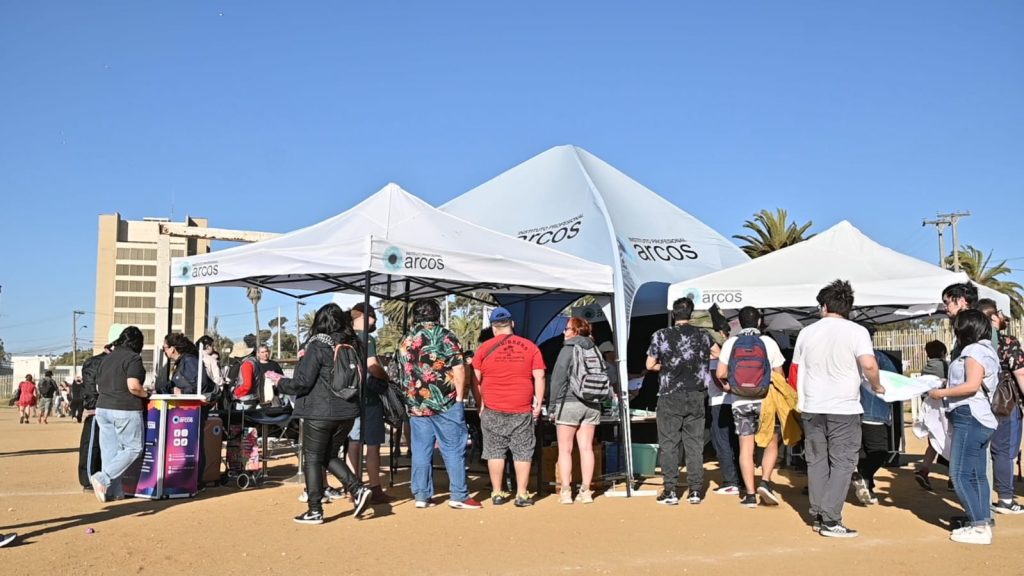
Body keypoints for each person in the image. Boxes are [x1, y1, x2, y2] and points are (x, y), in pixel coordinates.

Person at [792, 280, 884, 538]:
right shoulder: (857, 332)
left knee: (817, 461)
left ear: (823, 306)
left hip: (812, 405)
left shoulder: (806, 333)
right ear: (849, 307)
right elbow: (869, 364)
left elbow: (796, 370)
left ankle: (820, 514)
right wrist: (876, 386)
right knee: (843, 463)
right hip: (843, 406)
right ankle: (832, 519)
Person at [267, 303, 372, 525]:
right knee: (327, 456)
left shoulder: (317, 345)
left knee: (313, 458)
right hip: (347, 412)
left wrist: (280, 382)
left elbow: (302, 383)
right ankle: (357, 488)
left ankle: (315, 509)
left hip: (320, 412)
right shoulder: (354, 344)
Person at [395, 298, 481, 510]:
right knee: (453, 448)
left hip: (417, 404)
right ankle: (459, 495)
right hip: (445, 401)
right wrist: (460, 398)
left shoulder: (406, 339)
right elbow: (459, 369)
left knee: (421, 450)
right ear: (437, 314)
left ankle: (422, 495)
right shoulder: (446, 337)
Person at [927, 309, 999, 544]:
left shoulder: (973, 351)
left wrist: (941, 392)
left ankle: (979, 527)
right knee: (978, 476)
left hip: (970, 415)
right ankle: (981, 520)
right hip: (981, 417)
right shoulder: (987, 350)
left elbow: (971, 386)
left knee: (959, 474)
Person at [646, 297, 719, 505]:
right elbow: (718, 353)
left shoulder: (660, 335)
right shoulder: (703, 335)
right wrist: (699, 365)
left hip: (669, 393)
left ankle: (670, 490)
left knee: (669, 443)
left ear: (673, 313)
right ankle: (695, 490)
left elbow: (650, 364)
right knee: (694, 444)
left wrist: (669, 367)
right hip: (696, 394)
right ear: (691, 313)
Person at [474, 307, 545, 507]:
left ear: (493, 328)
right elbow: (539, 375)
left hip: (492, 406)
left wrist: (480, 404)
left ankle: (497, 492)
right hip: (521, 407)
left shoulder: (483, 348)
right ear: (512, 324)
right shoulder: (530, 346)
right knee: (523, 451)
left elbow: (475, 379)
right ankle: (522, 494)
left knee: (495, 450)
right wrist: (538, 402)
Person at [715, 306, 785, 508]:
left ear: (739, 323)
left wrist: (731, 387)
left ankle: (751, 494)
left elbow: (720, 373)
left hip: (740, 401)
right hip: (765, 400)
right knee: (770, 443)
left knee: (746, 447)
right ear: (760, 322)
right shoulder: (768, 342)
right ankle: (765, 481)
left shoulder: (731, 343)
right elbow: (779, 375)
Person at [90, 326, 149, 503]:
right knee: (134, 448)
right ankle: (103, 478)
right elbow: (133, 386)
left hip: (103, 408)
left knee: (110, 452)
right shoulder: (133, 358)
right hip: (124, 408)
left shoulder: (106, 359)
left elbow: (99, 387)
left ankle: (113, 493)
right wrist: (147, 394)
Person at [976, 299, 1024, 515]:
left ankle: (984, 495)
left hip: (981, 400)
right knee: (1005, 451)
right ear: (993, 317)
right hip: (1007, 401)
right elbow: (1020, 373)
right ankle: (1005, 498)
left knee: (987, 449)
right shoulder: (1007, 342)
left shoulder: (972, 344)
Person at [345, 302, 396, 504]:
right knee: (373, 444)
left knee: (353, 443)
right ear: (365, 316)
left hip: (349, 396)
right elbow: (373, 366)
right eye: (374, 315)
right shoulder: (368, 338)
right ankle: (375, 487)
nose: (376, 320)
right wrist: (386, 378)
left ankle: (352, 487)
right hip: (369, 397)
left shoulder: (344, 338)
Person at [550, 317, 602, 504]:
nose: (564, 332)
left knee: (565, 450)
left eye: (567, 329)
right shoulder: (595, 348)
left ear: (575, 331)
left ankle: (566, 491)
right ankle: (586, 491)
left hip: (569, 402)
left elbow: (558, 378)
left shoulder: (568, 349)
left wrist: (552, 404)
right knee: (587, 448)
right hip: (592, 402)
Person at [851, 347, 897, 506]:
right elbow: (894, 376)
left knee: (863, 450)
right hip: (873, 411)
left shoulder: (847, 354)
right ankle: (862, 474)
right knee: (879, 451)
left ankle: (867, 485)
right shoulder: (877, 356)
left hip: (850, 409)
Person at [707, 327, 742, 499]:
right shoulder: (735, 356)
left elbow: (718, 380)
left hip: (720, 403)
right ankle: (741, 480)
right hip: (738, 401)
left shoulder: (717, 359)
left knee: (722, 442)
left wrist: (730, 388)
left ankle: (730, 482)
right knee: (736, 441)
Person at [915, 340, 948, 490]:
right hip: (943, 410)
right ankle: (954, 479)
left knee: (934, 441)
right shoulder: (945, 366)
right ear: (943, 352)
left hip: (928, 410)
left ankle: (924, 469)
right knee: (950, 442)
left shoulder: (926, 368)